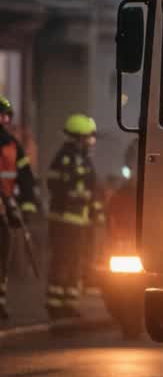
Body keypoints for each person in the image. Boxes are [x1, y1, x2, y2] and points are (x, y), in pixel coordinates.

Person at [46, 114, 104, 319]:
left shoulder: (84, 160)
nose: (91, 142)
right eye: (89, 137)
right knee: (62, 261)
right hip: (63, 220)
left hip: (80, 221)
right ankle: (55, 304)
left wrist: (96, 212)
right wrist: (71, 196)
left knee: (75, 262)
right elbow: (53, 182)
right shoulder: (64, 158)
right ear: (79, 137)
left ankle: (69, 304)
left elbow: (92, 190)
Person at [0, 95, 39, 321]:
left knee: (3, 259)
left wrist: (25, 209)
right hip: (5, 209)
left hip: (4, 213)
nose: (2, 121)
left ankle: (1, 303)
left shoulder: (13, 146)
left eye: (5, 116)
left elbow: (26, 179)